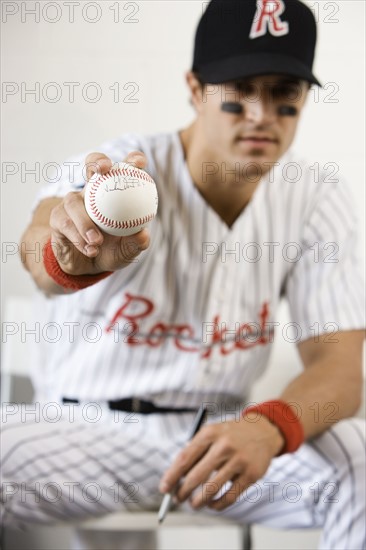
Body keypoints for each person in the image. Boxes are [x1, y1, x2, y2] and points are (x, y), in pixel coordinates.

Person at [2, 1, 365, 549]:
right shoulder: (123, 168)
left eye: (283, 92)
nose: (261, 113)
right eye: (239, 88)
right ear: (195, 89)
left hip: (221, 439)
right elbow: (40, 247)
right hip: (85, 431)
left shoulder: (315, 195)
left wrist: (271, 425)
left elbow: (340, 367)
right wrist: (66, 255)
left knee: (358, 465)